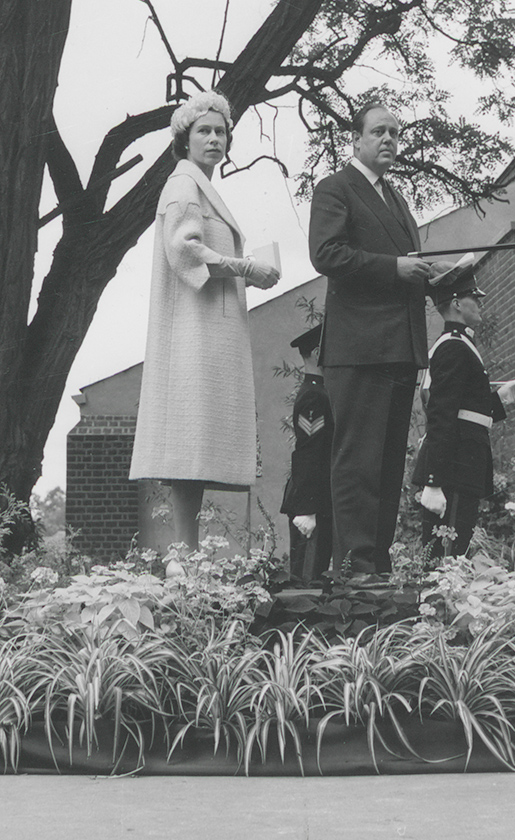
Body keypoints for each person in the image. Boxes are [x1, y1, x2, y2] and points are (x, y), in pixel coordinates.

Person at [129, 91, 280, 566]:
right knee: (187, 442)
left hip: (205, 330)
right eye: (204, 132)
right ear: (185, 140)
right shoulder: (183, 187)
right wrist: (246, 267)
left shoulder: (198, 186)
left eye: (221, 132)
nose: (215, 139)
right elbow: (186, 250)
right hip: (191, 334)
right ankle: (182, 555)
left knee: (193, 448)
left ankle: (185, 554)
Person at [308, 102, 440, 584]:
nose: (389, 140)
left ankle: (378, 564)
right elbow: (326, 253)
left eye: (395, 133)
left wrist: (432, 274)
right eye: (379, 132)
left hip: (400, 348)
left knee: (385, 465)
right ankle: (355, 564)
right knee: (358, 461)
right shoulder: (335, 188)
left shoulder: (395, 198)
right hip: (359, 348)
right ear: (356, 141)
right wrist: (396, 268)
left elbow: (403, 264)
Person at [413, 259, 515, 558]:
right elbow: (442, 415)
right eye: (473, 297)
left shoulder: (461, 345)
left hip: (461, 463)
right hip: (453, 466)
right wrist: (433, 482)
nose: (479, 302)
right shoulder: (453, 347)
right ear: (456, 303)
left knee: (453, 552)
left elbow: (468, 413)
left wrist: (503, 396)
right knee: (443, 558)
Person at [280, 323, 334, 581]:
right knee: (306, 583)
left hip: (316, 497)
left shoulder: (321, 392)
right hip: (310, 500)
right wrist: (307, 508)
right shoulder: (314, 396)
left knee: (314, 577)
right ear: (316, 353)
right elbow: (308, 451)